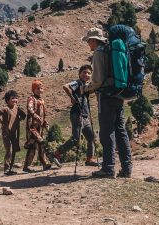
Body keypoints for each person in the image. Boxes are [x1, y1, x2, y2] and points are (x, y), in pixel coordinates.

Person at [80, 28, 133, 178]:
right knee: (121, 131)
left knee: (106, 132)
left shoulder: (99, 52)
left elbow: (97, 80)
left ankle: (108, 168)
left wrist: (87, 89)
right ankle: (127, 168)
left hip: (106, 96)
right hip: (119, 94)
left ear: (94, 40)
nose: (88, 44)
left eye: (89, 41)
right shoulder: (111, 50)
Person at [54, 65, 98, 166]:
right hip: (77, 113)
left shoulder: (85, 85)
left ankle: (89, 159)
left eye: (89, 73)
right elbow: (66, 86)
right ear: (79, 74)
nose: (86, 75)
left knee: (91, 137)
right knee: (75, 139)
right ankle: (56, 154)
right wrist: (72, 97)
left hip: (85, 115)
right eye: (84, 72)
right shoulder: (77, 83)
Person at [0, 90, 27, 175]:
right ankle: (6, 169)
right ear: (7, 100)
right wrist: (2, 123)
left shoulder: (17, 108)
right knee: (9, 150)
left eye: (16, 98)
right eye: (13, 98)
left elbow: (24, 116)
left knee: (14, 151)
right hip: (6, 133)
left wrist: (18, 120)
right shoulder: (5, 109)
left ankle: (10, 169)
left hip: (14, 133)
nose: (15, 100)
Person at [23, 80, 52, 172]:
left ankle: (27, 166)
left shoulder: (41, 100)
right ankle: (44, 163)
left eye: (41, 88)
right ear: (33, 90)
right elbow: (29, 108)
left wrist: (45, 123)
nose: (39, 90)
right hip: (32, 126)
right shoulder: (31, 99)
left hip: (40, 127)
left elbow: (43, 114)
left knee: (34, 146)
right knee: (40, 142)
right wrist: (35, 116)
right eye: (37, 88)